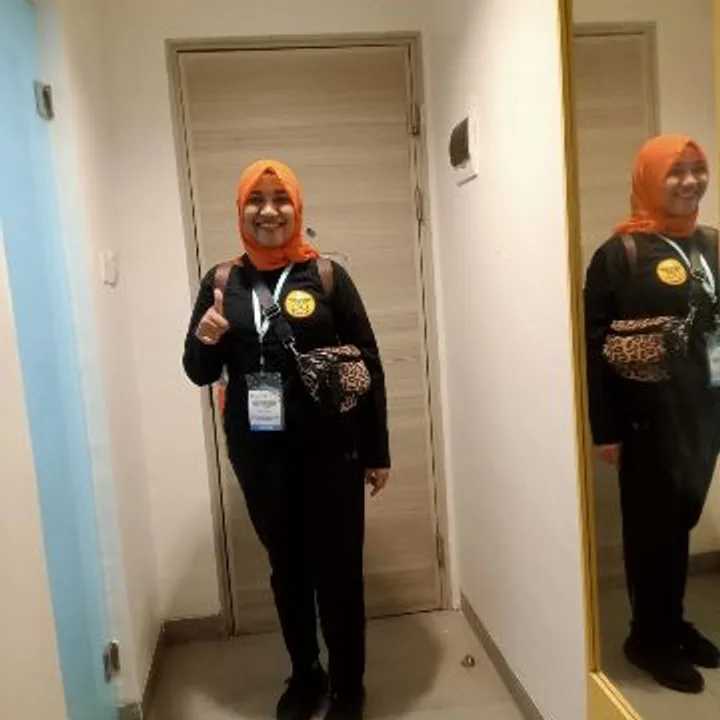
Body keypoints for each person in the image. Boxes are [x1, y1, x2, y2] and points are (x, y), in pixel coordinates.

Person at [183, 159, 391, 720]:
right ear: (241, 209)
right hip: (261, 457)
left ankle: (348, 686)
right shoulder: (221, 283)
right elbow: (200, 372)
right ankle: (305, 676)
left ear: (297, 208)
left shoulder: (325, 277)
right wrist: (206, 339)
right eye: (257, 198)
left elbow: (368, 364)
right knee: (289, 571)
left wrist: (376, 452)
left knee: (339, 572)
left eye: (281, 199)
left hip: (333, 452)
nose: (269, 210)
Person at [585, 135, 720, 694]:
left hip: (705, 415)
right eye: (675, 171)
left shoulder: (712, 245)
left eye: (698, 169)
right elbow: (595, 349)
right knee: (651, 531)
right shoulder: (620, 255)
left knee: (680, 522)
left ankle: (672, 622)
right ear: (649, 179)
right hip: (647, 422)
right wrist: (606, 430)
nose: (690, 181)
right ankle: (648, 639)